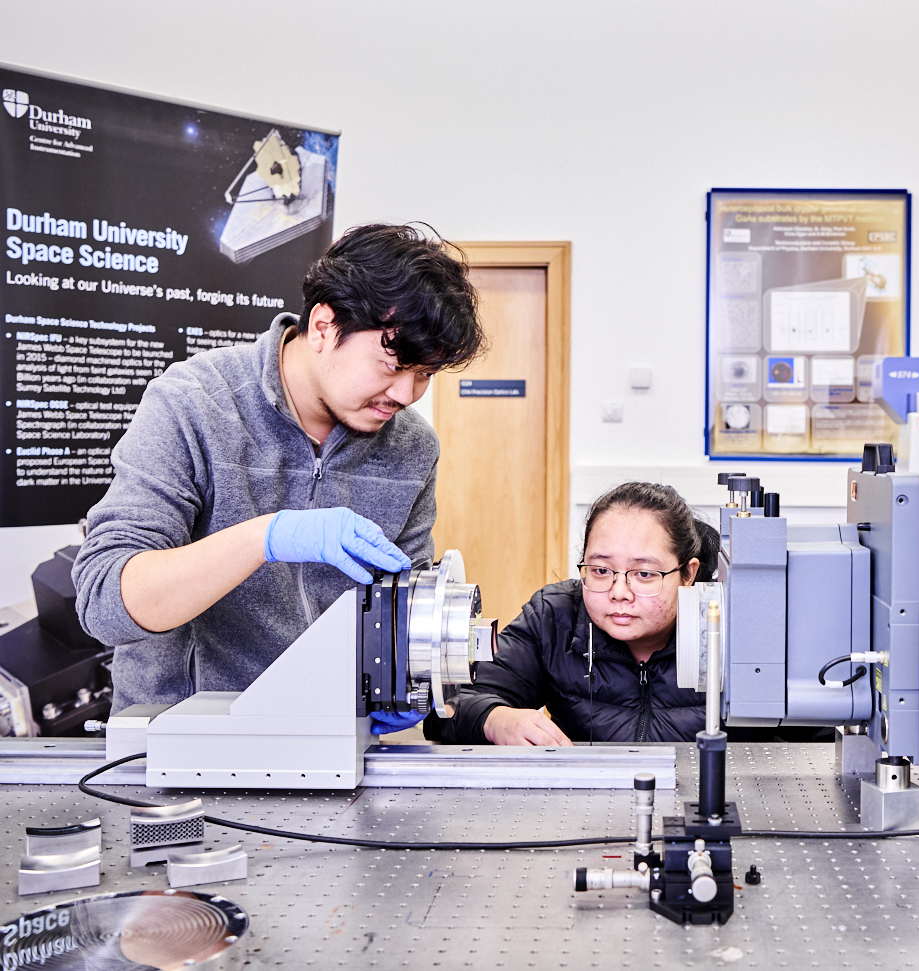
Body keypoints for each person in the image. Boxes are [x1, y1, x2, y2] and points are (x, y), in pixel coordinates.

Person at [72, 223, 485, 736]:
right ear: (323, 327)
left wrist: (409, 677)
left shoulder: (411, 448)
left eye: (425, 373)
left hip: (331, 742)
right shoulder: (194, 404)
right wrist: (264, 538)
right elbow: (105, 603)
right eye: (391, 364)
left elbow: (402, 601)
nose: (405, 392)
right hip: (179, 745)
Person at [428, 481, 721, 745]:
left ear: (687, 574)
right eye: (602, 570)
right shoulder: (556, 618)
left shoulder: (728, 625)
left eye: (644, 573)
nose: (619, 592)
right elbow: (447, 705)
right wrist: (494, 720)